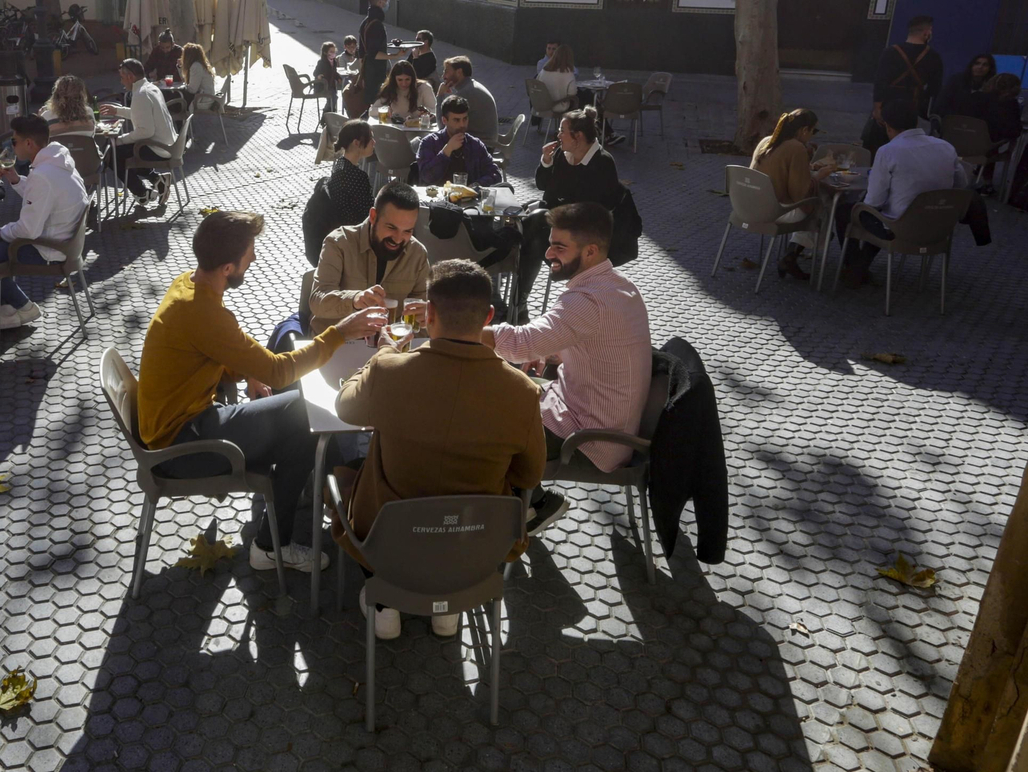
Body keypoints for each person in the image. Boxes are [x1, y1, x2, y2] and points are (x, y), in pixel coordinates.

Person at [137, 211, 386, 573]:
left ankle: (284, 511)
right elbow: (278, 369)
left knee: (296, 422)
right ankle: (273, 544)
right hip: (181, 447)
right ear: (227, 267)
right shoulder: (204, 311)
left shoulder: (189, 285)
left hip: (179, 426)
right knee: (304, 414)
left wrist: (245, 371)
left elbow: (213, 347)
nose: (253, 258)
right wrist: (341, 332)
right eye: (249, 252)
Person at [333, 259, 545, 640]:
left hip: (389, 546)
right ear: (489, 316)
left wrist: (382, 354)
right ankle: (452, 605)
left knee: (344, 470)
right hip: (475, 549)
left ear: (428, 314)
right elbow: (529, 476)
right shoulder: (524, 392)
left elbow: (345, 407)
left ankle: (385, 604)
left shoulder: (390, 371)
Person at [482, 202, 652, 534]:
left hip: (592, 438)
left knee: (480, 431)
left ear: (590, 251)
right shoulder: (618, 285)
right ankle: (533, 502)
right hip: (592, 414)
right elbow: (595, 342)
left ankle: (514, 515)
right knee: (495, 400)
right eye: (550, 243)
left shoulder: (585, 301)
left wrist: (456, 329)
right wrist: (552, 351)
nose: (547, 254)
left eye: (559, 247)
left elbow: (520, 342)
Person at [0, 114, 89, 329]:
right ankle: (8, 305)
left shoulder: (43, 174)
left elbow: (28, 230)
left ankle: (23, 306)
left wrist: (2, 231)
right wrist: (15, 179)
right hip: (66, 243)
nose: (12, 146)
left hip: (50, 249)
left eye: (14, 141)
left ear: (29, 143)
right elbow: (45, 197)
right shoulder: (60, 161)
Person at [839, 100, 967, 288]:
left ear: (887, 126)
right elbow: (961, 185)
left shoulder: (888, 151)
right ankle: (859, 268)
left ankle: (855, 268)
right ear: (916, 123)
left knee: (849, 212)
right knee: (883, 214)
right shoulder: (946, 147)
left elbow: (873, 201)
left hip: (900, 228)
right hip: (940, 226)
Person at [515, 108, 625, 318]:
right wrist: (546, 161)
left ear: (578, 136)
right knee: (535, 242)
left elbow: (600, 211)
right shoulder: (561, 154)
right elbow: (542, 184)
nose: (558, 136)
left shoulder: (602, 162)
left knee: (535, 224)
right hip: (551, 229)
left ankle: (515, 295)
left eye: (562, 131)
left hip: (581, 237)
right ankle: (519, 303)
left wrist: (560, 212)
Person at [311, 180, 429, 332]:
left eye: (407, 231)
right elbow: (317, 301)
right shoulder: (339, 243)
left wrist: (426, 315)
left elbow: (422, 308)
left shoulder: (417, 254)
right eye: (391, 227)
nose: (398, 239)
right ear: (373, 216)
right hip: (337, 343)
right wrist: (355, 299)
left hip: (390, 347)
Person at [750, 109, 834, 281]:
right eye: (813, 131)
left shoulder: (767, 141)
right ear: (804, 130)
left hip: (748, 205)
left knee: (819, 207)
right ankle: (794, 254)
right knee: (822, 207)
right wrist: (820, 176)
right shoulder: (797, 147)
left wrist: (808, 168)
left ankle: (793, 254)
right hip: (775, 211)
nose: (812, 136)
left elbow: (778, 170)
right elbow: (800, 193)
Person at [100, 57, 178, 207]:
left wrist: (119, 140)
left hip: (158, 147)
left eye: (122, 77)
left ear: (130, 77)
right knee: (119, 152)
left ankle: (142, 193)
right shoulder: (150, 88)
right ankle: (156, 180)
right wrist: (117, 111)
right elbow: (141, 114)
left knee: (112, 155)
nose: (121, 82)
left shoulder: (140, 94)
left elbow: (145, 131)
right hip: (167, 144)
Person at [867, 14, 943, 155]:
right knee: (907, 146)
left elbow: (880, 81)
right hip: (913, 106)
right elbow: (935, 88)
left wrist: (877, 108)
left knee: (879, 144)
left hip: (888, 103)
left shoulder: (890, 52)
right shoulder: (934, 57)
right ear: (926, 33)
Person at [416, 95, 503, 186]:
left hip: (469, 197)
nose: (462, 125)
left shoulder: (475, 145)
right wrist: (446, 151)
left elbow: (495, 174)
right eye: (456, 120)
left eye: (465, 119)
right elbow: (427, 177)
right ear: (444, 120)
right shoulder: (430, 143)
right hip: (439, 197)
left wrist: (476, 185)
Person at [436, 55, 500, 143]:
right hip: (483, 141)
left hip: (480, 146)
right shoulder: (470, 86)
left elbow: (442, 127)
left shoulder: (466, 92)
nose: (443, 77)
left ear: (459, 72)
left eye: (446, 71)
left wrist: (440, 95)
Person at [327, 121, 377, 228]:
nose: (374, 142)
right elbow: (367, 214)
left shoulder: (339, 165)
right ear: (357, 143)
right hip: (354, 231)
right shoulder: (358, 176)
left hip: (339, 227)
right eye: (371, 138)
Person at [359, 0, 407, 98]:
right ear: (380, 3)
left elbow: (361, 53)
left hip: (368, 72)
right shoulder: (376, 25)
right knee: (377, 105)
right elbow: (374, 53)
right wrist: (395, 56)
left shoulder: (366, 22)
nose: (388, 2)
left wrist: (362, 75)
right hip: (375, 74)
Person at [934, 53, 996, 120]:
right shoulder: (956, 81)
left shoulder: (992, 87)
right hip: (952, 120)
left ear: (990, 68)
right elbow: (942, 104)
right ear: (971, 66)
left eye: (985, 65)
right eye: (977, 63)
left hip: (977, 124)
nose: (980, 67)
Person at [536, 43, 579, 120]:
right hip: (557, 106)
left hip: (541, 104)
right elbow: (573, 93)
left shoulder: (544, 70)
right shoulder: (568, 73)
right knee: (581, 99)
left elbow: (537, 83)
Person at [180, 42, 214, 112]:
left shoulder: (196, 66)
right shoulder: (201, 65)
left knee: (175, 97)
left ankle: (178, 120)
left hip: (202, 99)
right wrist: (180, 67)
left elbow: (192, 89)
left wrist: (183, 87)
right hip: (207, 97)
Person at [314, 41, 343, 115]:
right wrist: (319, 76)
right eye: (331, 51)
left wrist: (339, 78)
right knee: (333, 99)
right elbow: (315, 72)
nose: (333, 53)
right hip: (323, 86)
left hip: (332, 85)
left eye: (334, 51)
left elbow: (334, 72)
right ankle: (326, 115)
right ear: (325, 52)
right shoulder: (321, 62)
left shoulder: (334, 62)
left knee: (333, 99)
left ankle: (331, 115)